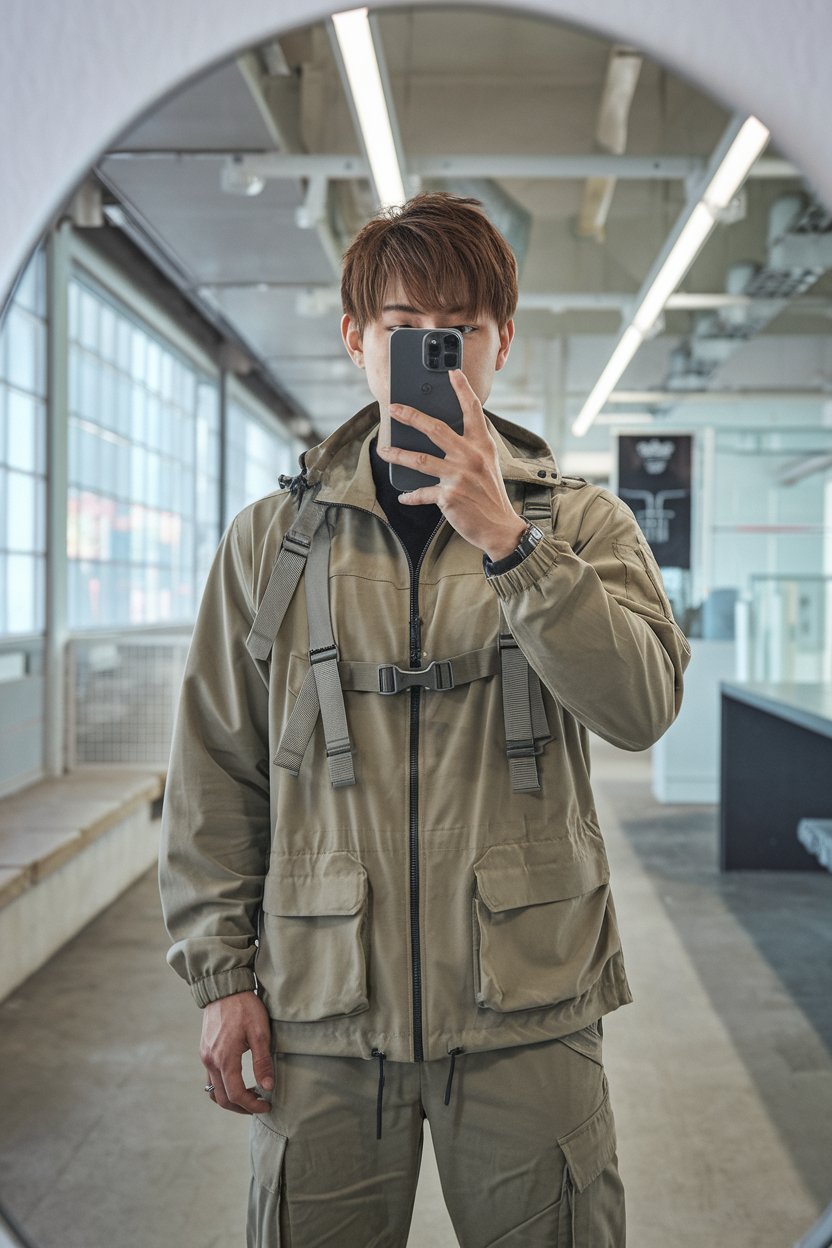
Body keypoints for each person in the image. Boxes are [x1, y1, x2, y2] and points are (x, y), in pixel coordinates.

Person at [159, 191, 691, 1247]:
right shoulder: (272, 542)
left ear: (501, 340)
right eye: (405, 331)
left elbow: (641, 708)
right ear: (358, 339)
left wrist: (513, 548)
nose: (433, 356)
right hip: (322, 1011)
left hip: (528, 1008)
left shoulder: (582, 524)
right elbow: (219, 766)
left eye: (458, 331)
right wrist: (222, 978)